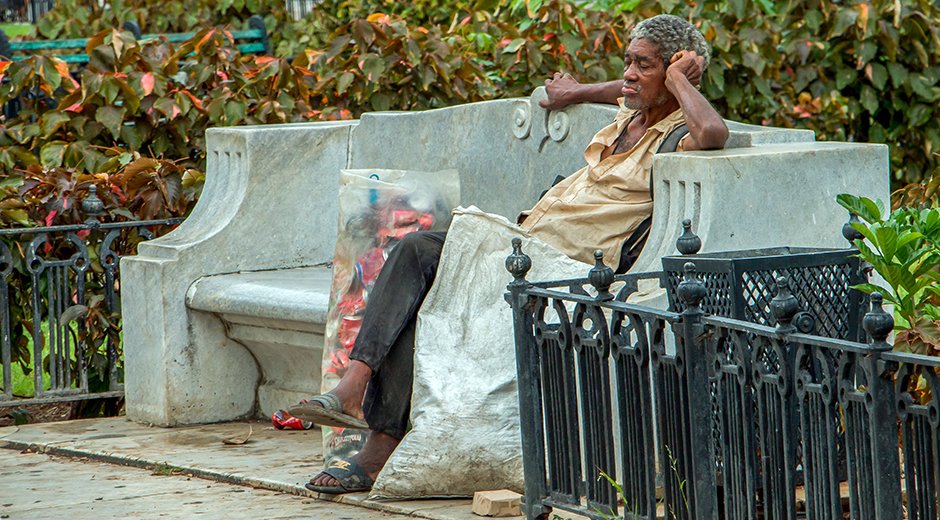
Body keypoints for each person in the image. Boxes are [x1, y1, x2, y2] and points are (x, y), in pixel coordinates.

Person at [291, 13, 729, 494]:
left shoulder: (672, 135)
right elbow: (619, 91)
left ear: (675, 74)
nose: (627, 73)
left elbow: (713, 133)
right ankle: (362, 411)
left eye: (642, 65)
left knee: (419, 253)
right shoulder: (630, 115)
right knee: (419, 278)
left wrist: (674, 80)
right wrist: (576, 92)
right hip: (520, 247)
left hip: (556, 268)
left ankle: (360, 411)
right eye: (626, 60)